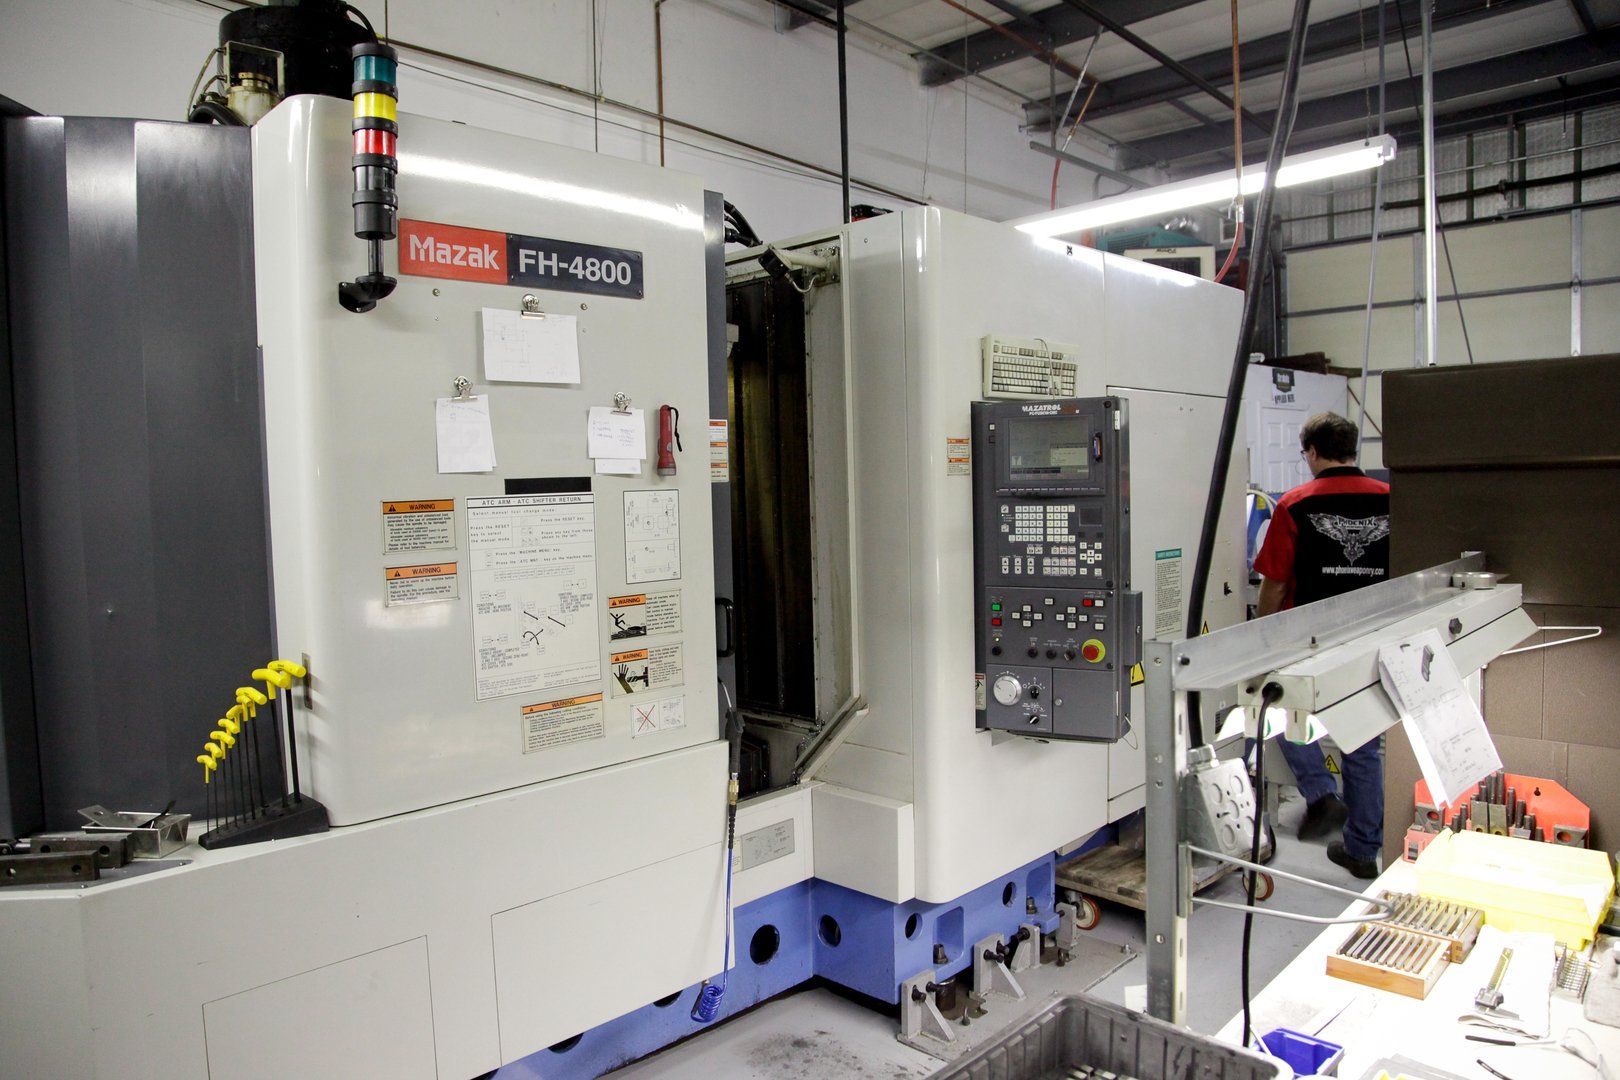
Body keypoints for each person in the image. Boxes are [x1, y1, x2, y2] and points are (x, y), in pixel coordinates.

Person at [1253, 412, 1391, 879]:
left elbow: (1274, 581)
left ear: (1312, 452)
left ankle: (1320, 794)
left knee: (1277, 715)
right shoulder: (1391, 500)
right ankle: (1363, 850)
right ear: (1352, 449)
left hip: (1306, 639)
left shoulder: (1295, 504)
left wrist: (1261, 636)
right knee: (1363, 742)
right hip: (1371, 636)